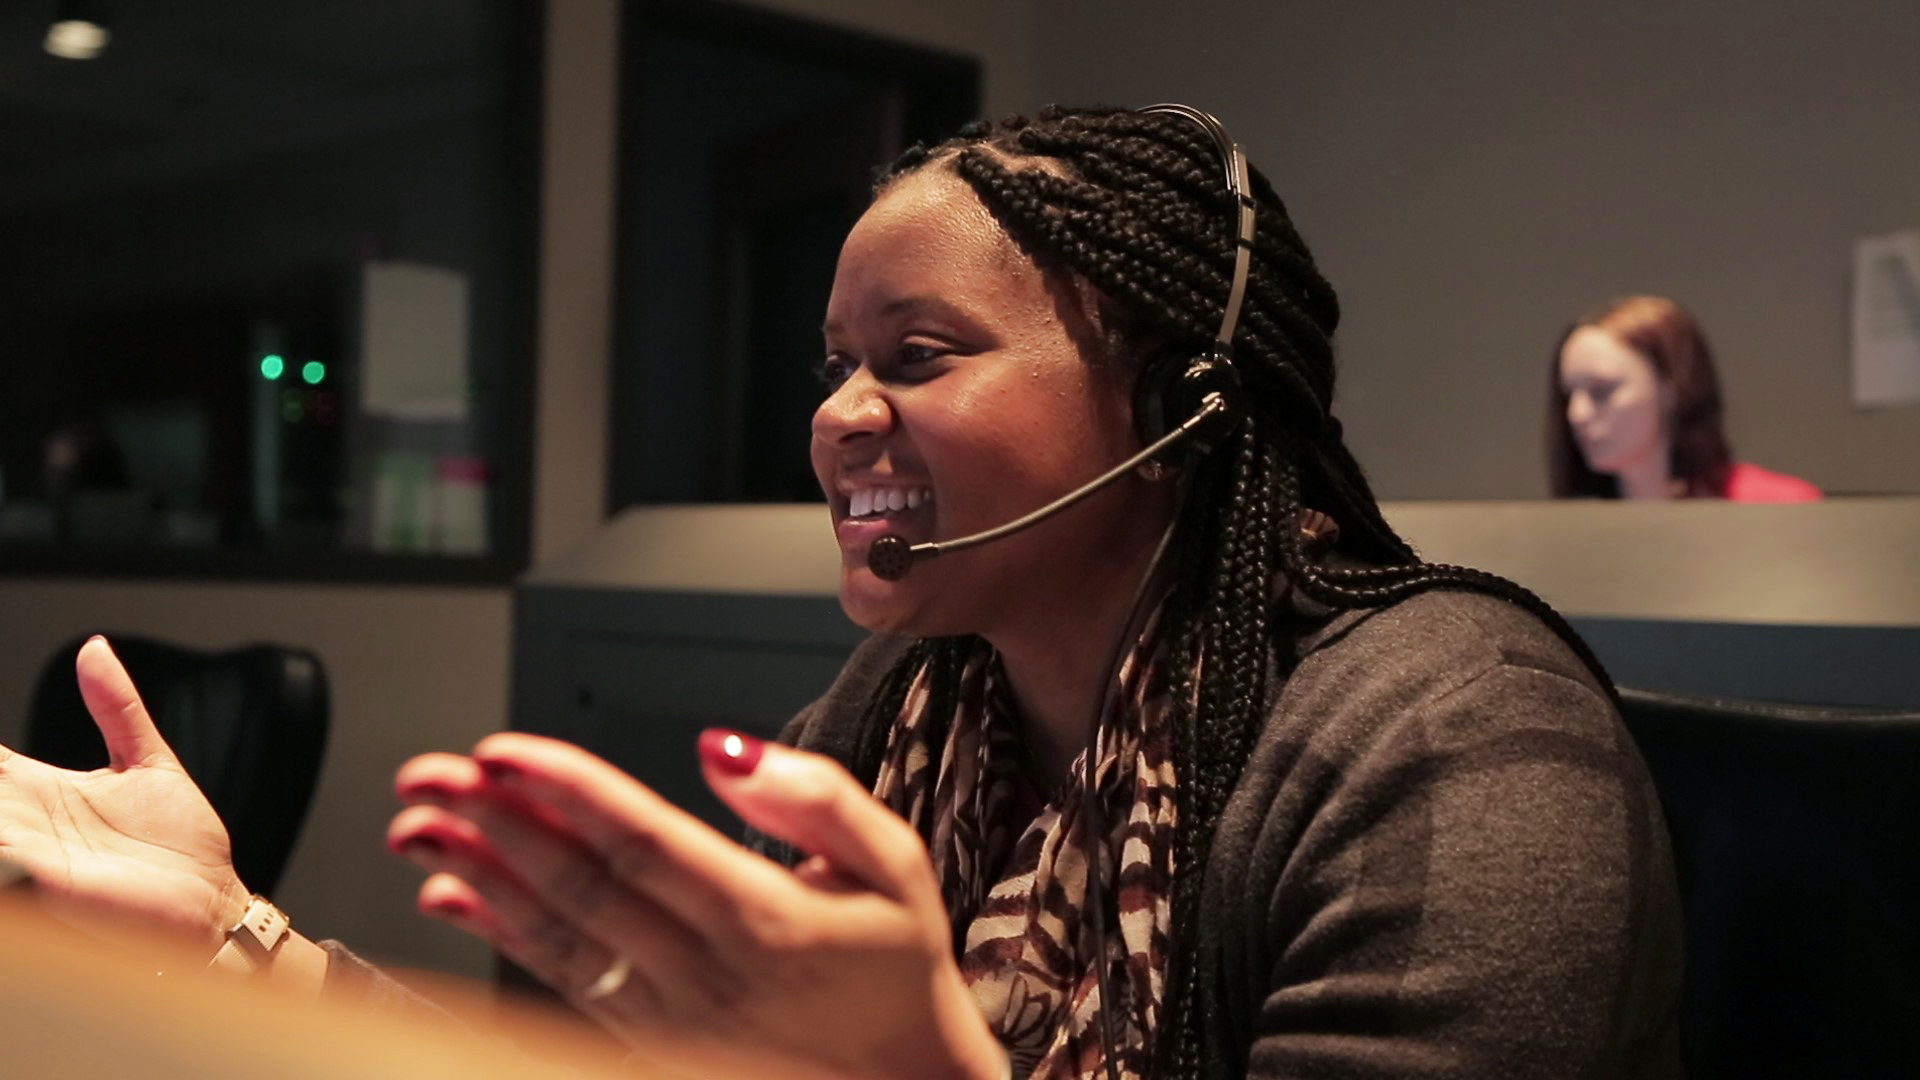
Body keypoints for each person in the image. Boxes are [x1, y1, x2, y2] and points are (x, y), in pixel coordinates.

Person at [1, 106, 1683, 1079]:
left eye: (918, 356)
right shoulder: (897, 723)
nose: (836, 416)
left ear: (1182, 406)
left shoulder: (1450, 745)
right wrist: (244, 946)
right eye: (836, 364)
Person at [1549, 295, 1822, 501]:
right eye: (1568, 395)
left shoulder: (1776, 506)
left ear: (1671, 389)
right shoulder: (1567, 531)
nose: (1577, 414)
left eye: (1602, 390)